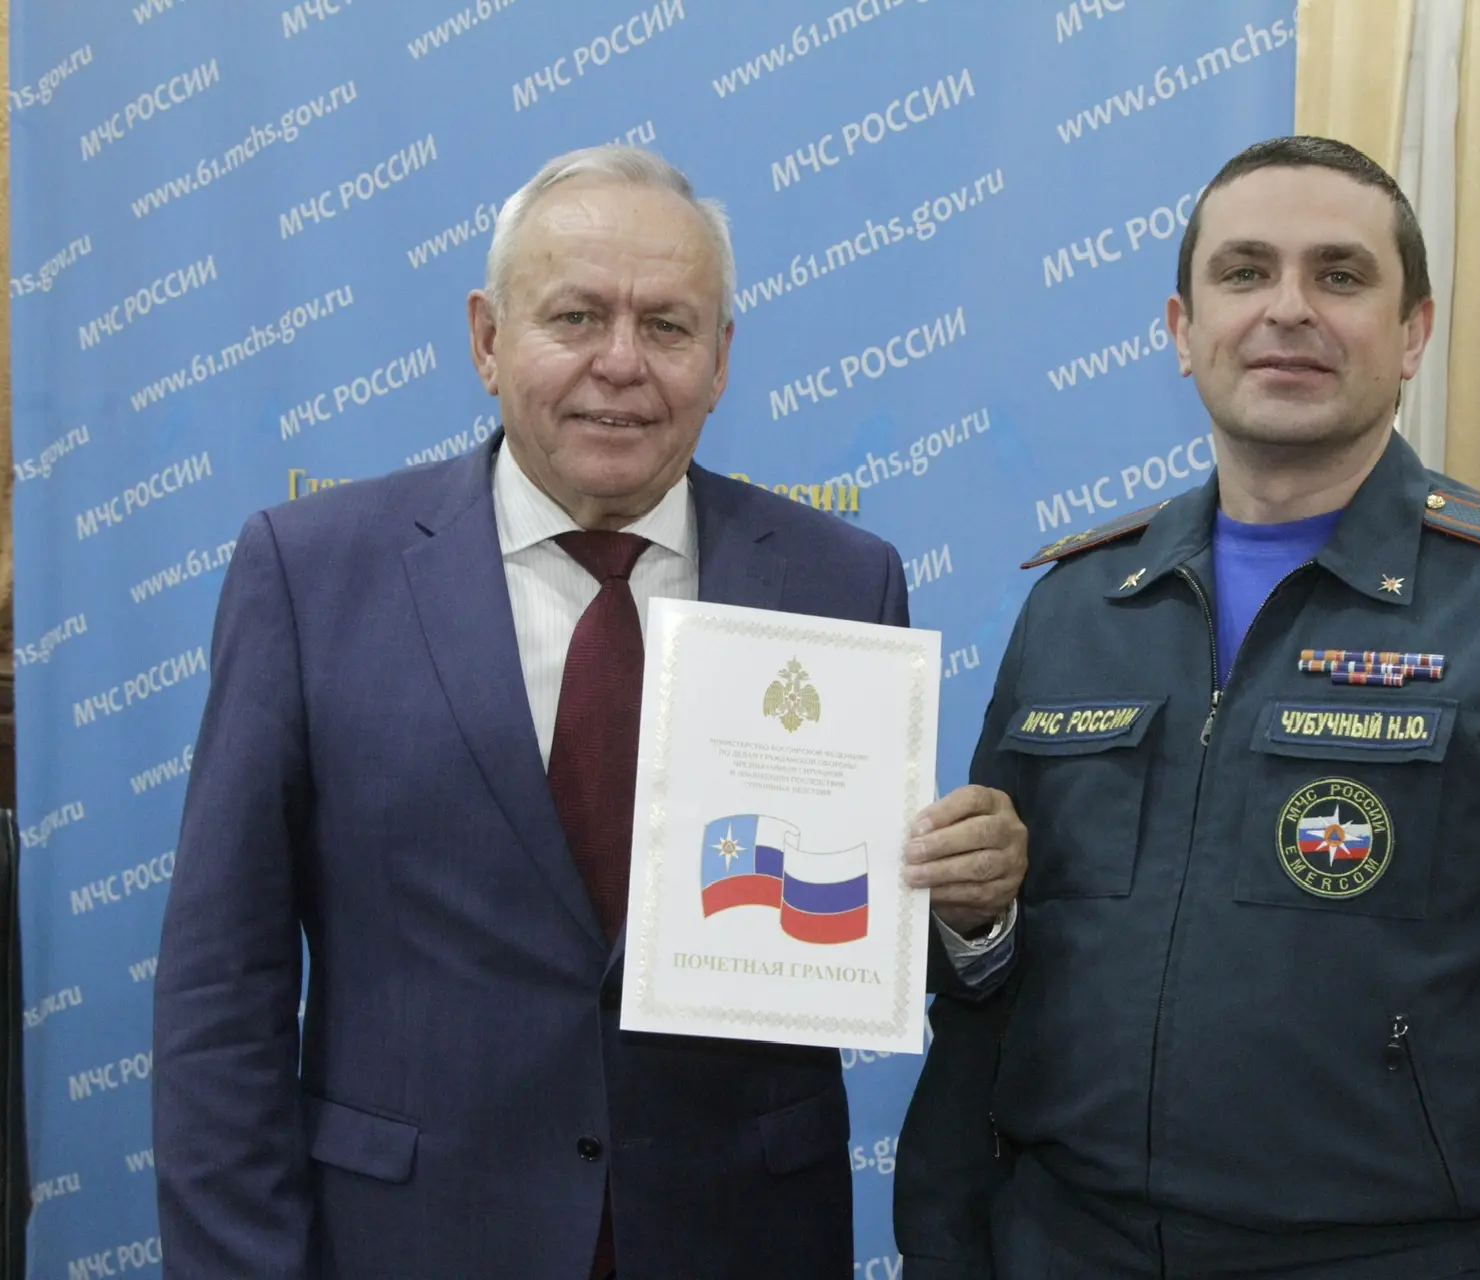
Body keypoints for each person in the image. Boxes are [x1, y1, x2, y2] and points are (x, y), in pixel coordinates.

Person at [151, 145, 1027, 1280]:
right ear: (486, 338)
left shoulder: (839, 579)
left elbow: (855, 943)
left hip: (740, 1242)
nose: (621, 363)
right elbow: (222, 990)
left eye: (667, 326)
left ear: (721, 360)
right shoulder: (310, 574)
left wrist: (964, 913)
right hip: (410, 1240)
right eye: (575, 316)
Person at [895, 136, 1480, 1279]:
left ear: (1413, 332)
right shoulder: (1079, 606)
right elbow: (990, 974)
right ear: (1183, 331)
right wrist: (946, 1233)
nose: (1288, 308)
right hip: (1061, 1241)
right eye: (1245, 272)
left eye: (1339, 274)